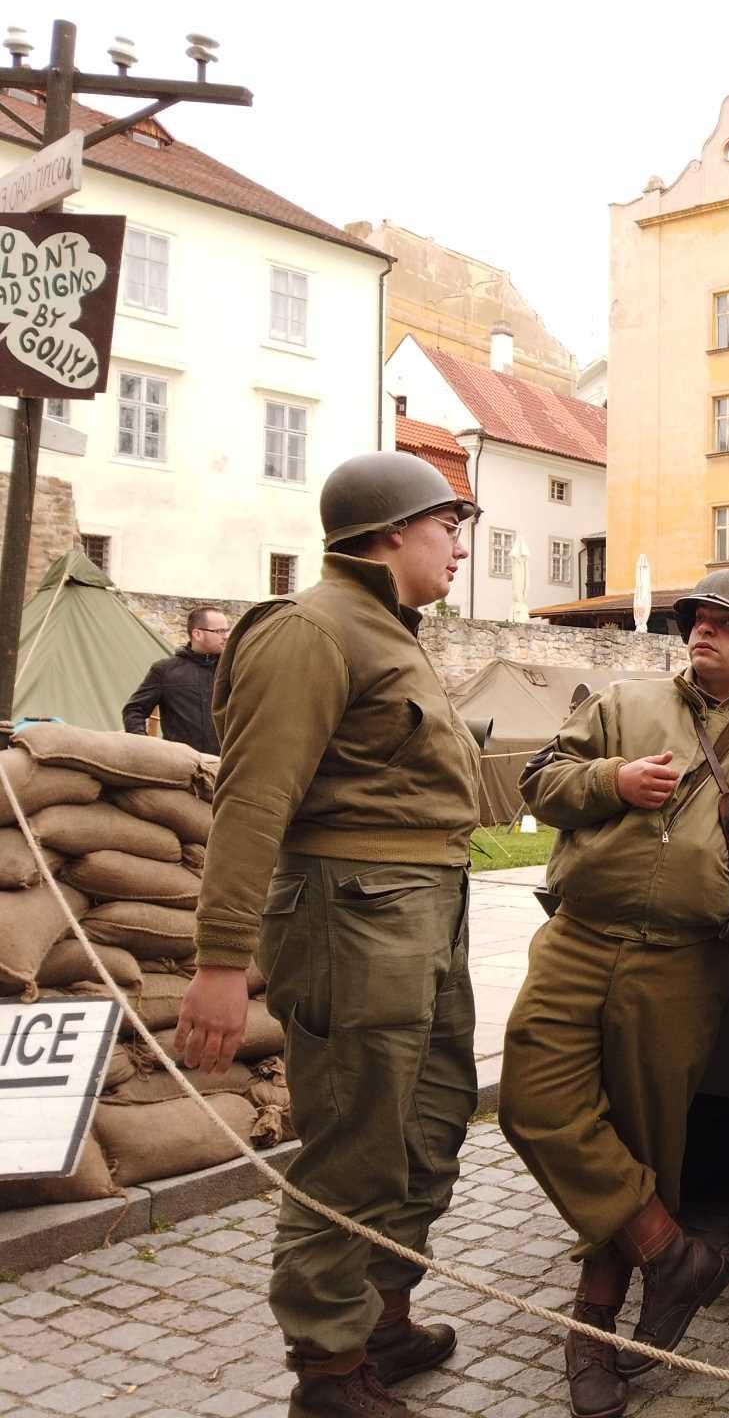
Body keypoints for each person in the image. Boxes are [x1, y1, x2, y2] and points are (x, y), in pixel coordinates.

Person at [174, 452, 484, 1418]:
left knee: (429, 1124)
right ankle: (326, 1368)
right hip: (352, 916)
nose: (460, 547)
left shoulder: (390, 630)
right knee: (353, 1137)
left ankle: (379, 1320)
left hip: (423, 905)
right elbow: (253, 800)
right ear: (393, 532)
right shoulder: (311, 629)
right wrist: (221, 962)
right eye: (448, 527)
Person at [500, 569, 729, 1418]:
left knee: (646, 1138)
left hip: (684, 961)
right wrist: (610, 781)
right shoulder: (625, 701)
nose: (703, 633)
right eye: (697, 620)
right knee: (530, 1102)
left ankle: (596, 1330)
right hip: (581, 932)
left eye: (725, 624)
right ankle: (668, 1249)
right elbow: (539, 783)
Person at [122, 606, 230, 754]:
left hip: (226, 767)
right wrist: (146, 748)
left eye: (227, 630)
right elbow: (134, 711)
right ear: (197, 634)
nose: (226, 636)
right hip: (181, 766)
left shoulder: (232, 670)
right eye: (219, 631)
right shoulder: (165, 671)